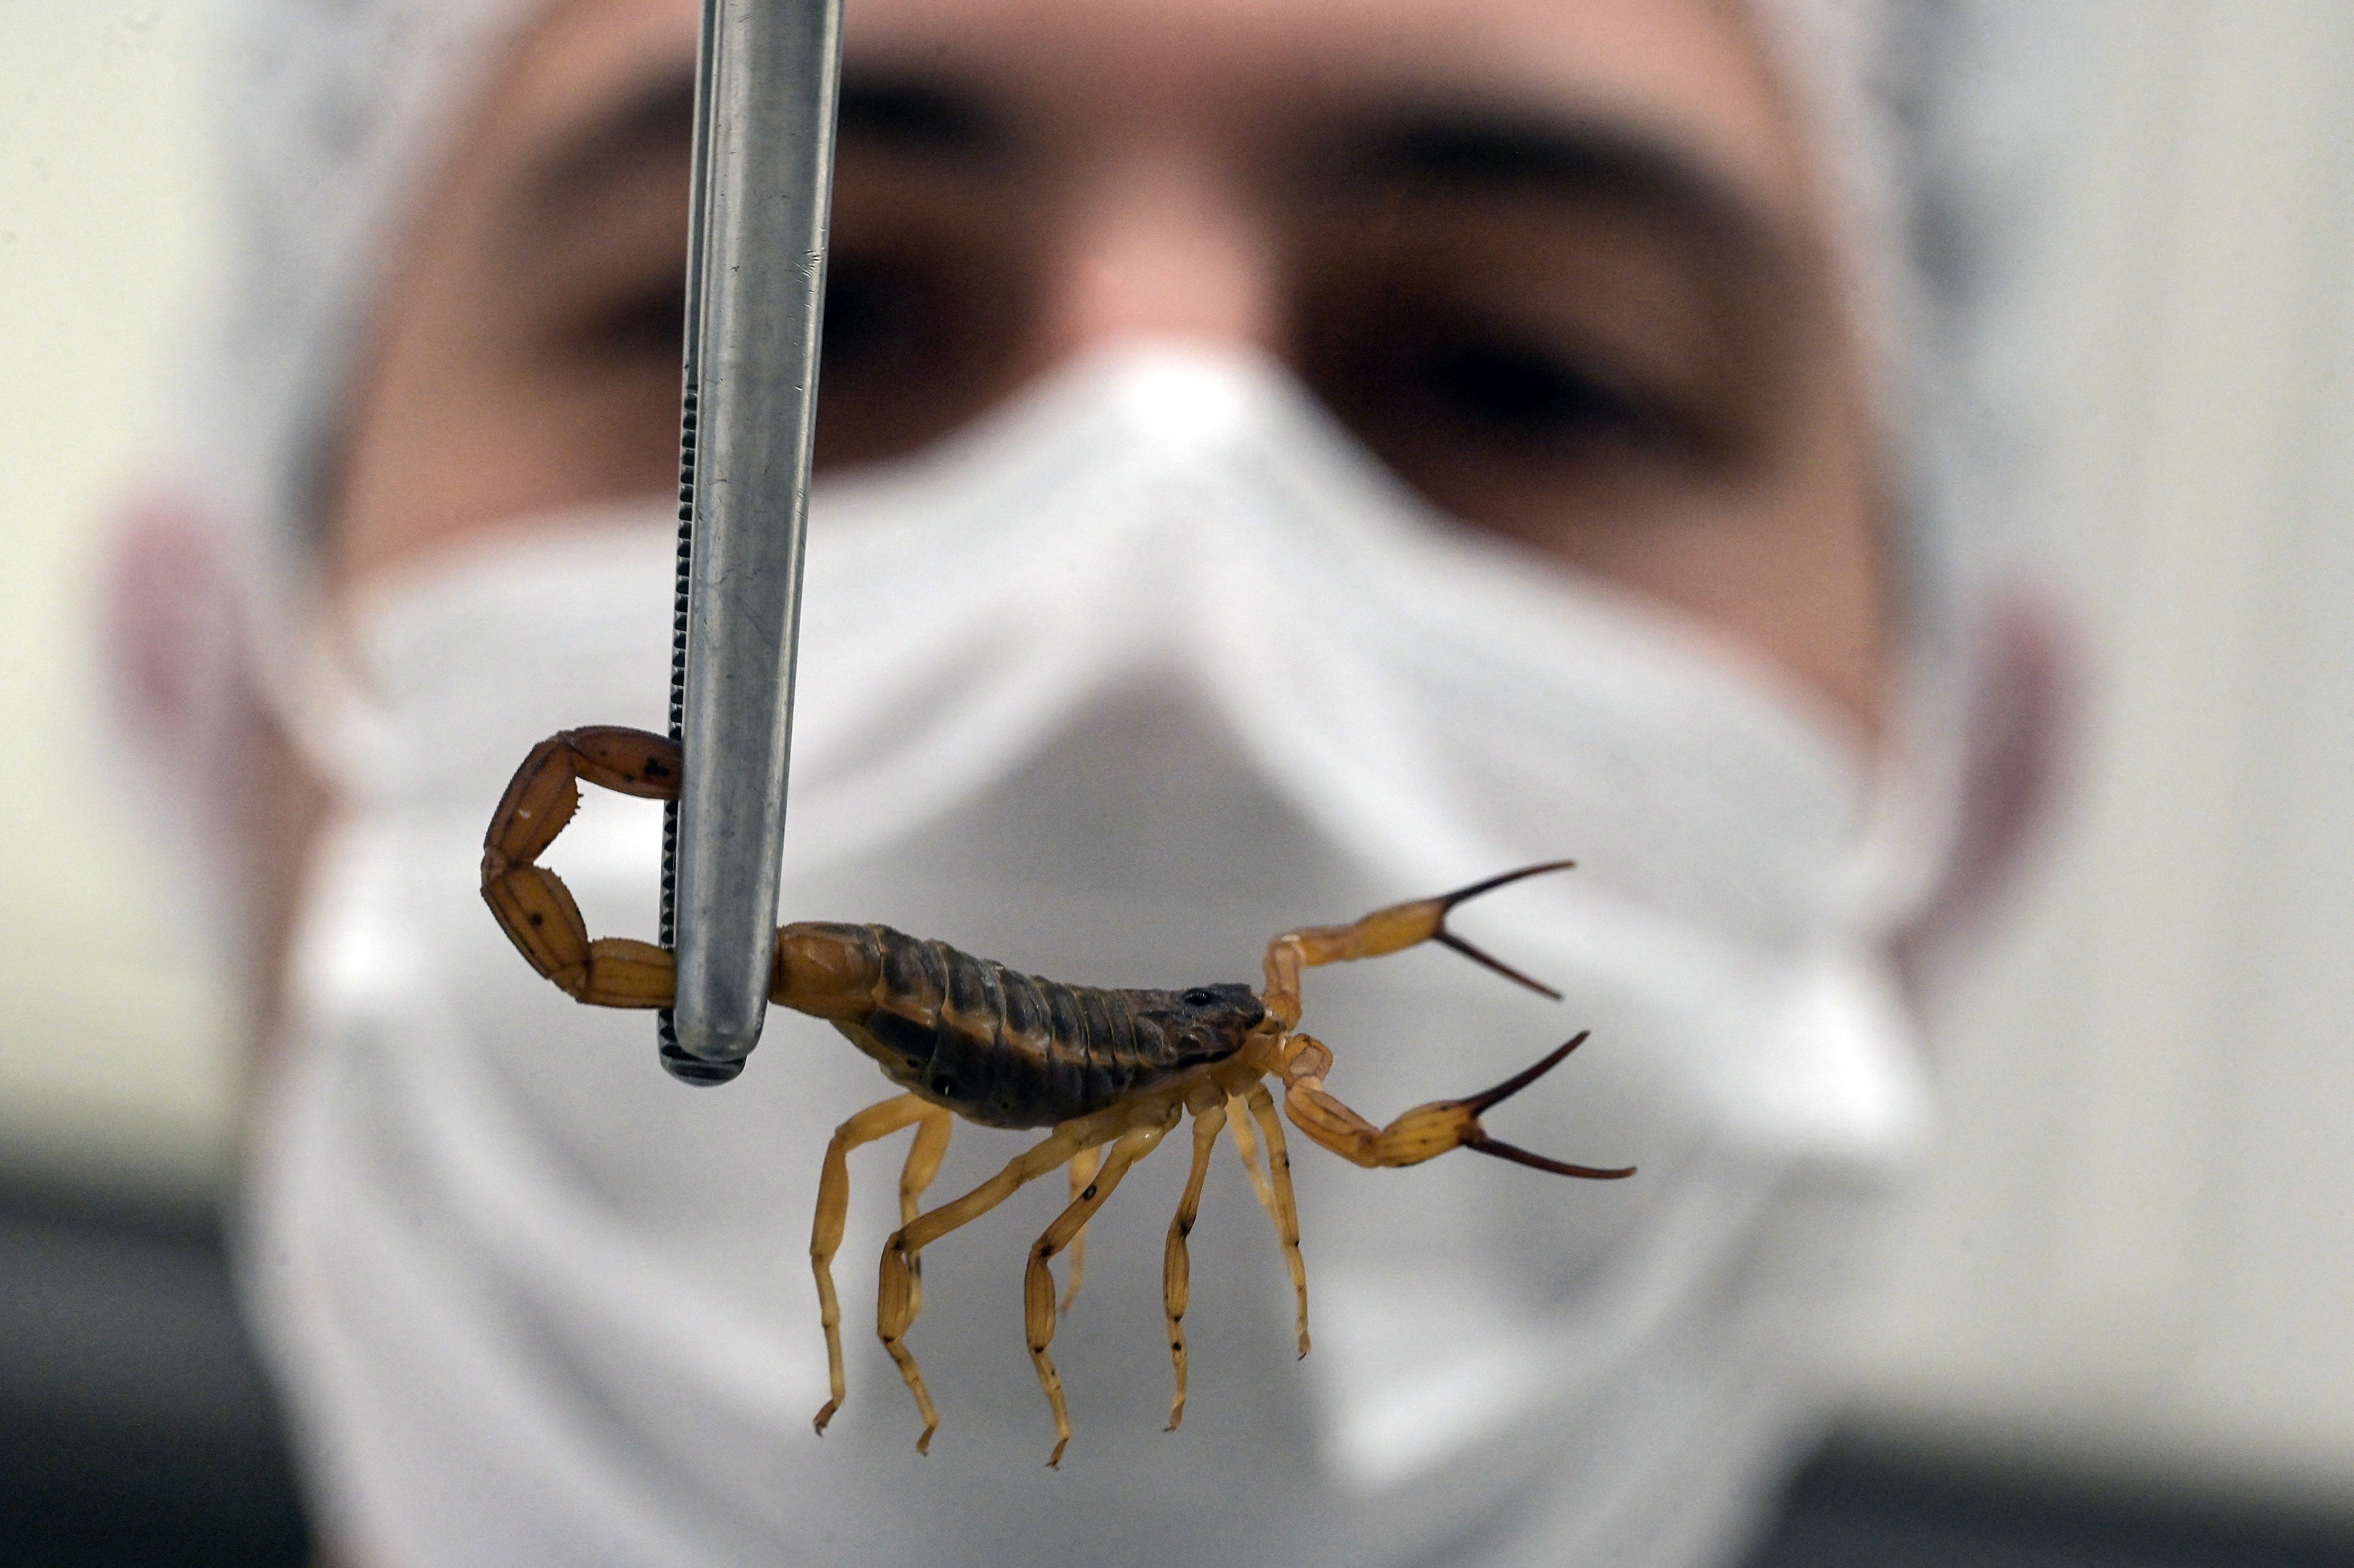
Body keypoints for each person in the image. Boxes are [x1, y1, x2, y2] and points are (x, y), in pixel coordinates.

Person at [106, 0, 2065, 1563]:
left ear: (1967, 809)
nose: (1155, 640)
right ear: (213, 699)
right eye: (819, 314)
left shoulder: (1229, 1064)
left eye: (1528, 367)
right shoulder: (1240, 1080)